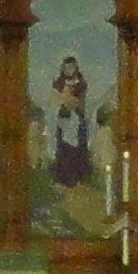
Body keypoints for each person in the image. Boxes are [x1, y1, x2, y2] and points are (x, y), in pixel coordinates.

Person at [50, 55, 92, 187]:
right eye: (67, 67)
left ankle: (79, 177)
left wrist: (73, 103)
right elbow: (56, 99)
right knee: (64, 149)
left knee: (79, 149)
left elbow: (81, 102)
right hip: (64, 119)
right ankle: (64, 178)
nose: (69, 70)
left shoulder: (81, 83)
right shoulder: (58, 83)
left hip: (78, 118)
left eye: (71, 67)